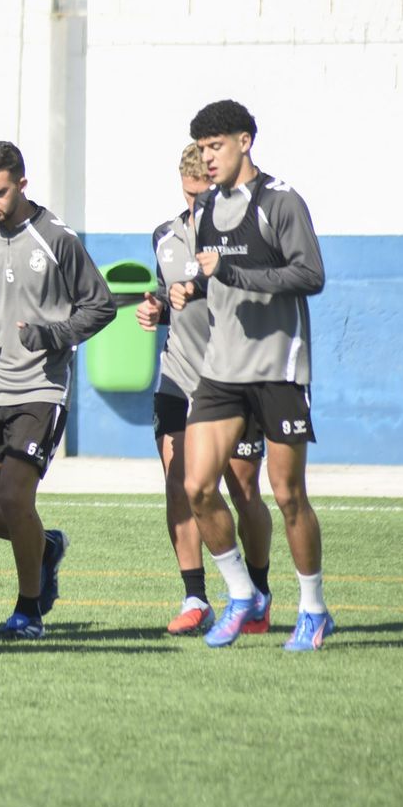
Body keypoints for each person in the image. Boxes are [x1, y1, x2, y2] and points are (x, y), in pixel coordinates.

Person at [169, 100, 333, 651]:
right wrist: (182, 292)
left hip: (277, 370)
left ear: (245, 141)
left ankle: (312, 607)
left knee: (288, 495)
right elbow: (209, 277)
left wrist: (232, 271)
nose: (208, 157)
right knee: (196, 486)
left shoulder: (281, 202)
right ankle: (243, 595)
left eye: (216, 146)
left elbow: (310, 274)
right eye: (203, 148)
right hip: (222, 371)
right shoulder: (207, 207)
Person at [0, 141, 114, 640]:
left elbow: (100, 305)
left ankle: (28, 612)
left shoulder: (57, 239)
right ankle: (45, 548)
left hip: (40, 389)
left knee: (14, 496)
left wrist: (51, 335)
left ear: (22, 183)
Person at [136, 143, 274, 635]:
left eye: (204, 197)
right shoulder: (165, 235)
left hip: (235, 378)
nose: (196, 208)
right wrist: (156, 308)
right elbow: (166, 290)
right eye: (188, 197)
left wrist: (208, 286)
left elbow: (264, 294)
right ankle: (195, 597)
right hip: (178, 374)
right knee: (180, 485)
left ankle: (258, 593)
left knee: (242, 489)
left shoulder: (245, 233)